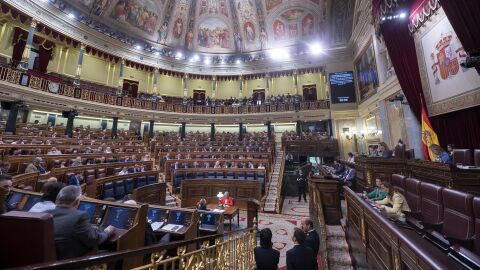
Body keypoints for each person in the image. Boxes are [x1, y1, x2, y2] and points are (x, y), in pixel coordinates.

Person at [47, 186, 115, 259]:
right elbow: (94, 240)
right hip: (71, 262)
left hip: (51, 261)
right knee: (113, 254)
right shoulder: (79, 216)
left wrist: (89, 228)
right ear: (77, 201)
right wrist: (107, 232)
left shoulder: (47, 213)